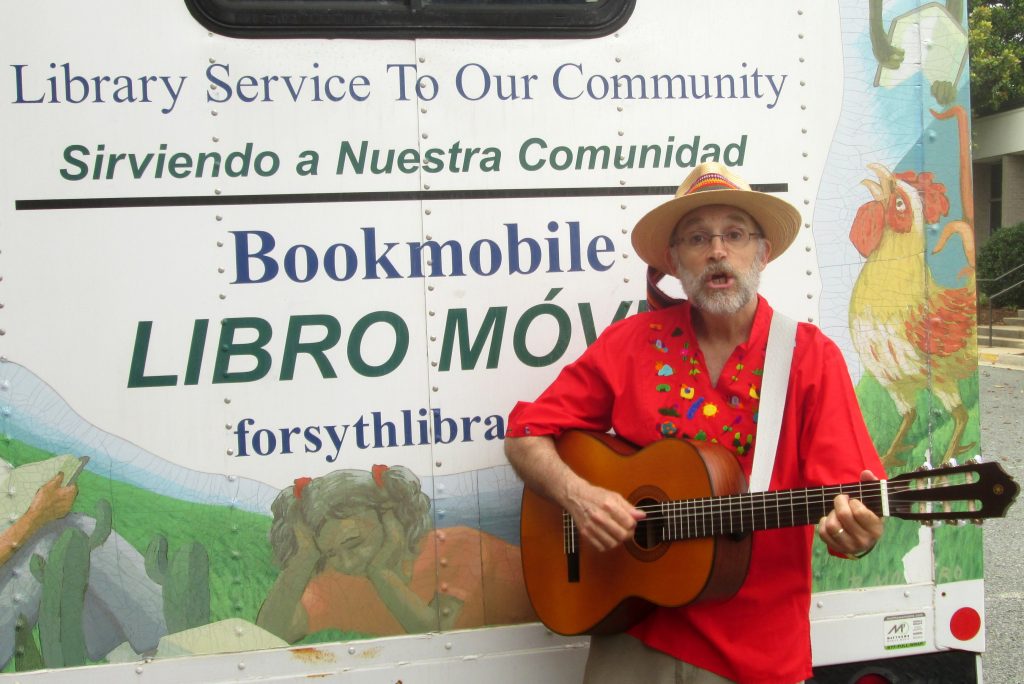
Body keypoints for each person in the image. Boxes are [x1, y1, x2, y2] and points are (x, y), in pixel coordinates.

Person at [504, 161, 885, 684]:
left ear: (763, 252)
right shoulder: (632, 342)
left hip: (758, 652)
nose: (717, 251)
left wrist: (858, 533)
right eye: (697, 238)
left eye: (735, 233)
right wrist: (578, 496)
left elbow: (849, 511)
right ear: (673, 260)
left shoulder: (809, 357)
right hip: (635, 637)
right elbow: (527, 437)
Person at [257, 465, 534, 643]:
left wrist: (382, 573)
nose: (347, 562)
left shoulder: (461, 547)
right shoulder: (339, 579)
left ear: (391, 519)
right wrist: (303, 559)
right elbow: (271, 634)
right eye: (330, 553)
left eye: (354, 543)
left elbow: (440, 636)